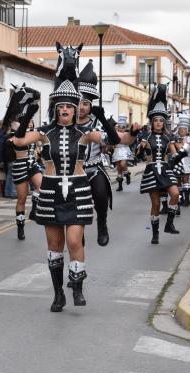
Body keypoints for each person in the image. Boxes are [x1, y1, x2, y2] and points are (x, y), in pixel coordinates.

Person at [12, 78, 136, 312]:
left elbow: (115, 141)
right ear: (56, 109)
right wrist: (28, 114)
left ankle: (77, 288)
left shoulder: (85, 132)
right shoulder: (44, 132)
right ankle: (58, 294)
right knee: (55, 245)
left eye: (70, 105)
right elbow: (18, 141)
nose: (66, 109)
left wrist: (101, 117)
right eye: (61, 106)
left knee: (73, 241)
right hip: (50, 192)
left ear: (75, 108)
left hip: (78, 190)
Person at [137, 85, 187, 245]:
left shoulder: (168, 138)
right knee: (156, 204)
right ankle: (155, 234)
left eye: (161, 121)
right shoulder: (146, 137)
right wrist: (139, 149)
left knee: (175, 195)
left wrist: (182, 151)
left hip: (165, 170)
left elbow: (174, 153)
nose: (158, 123)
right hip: (151, 171)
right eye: (156, 120)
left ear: (164, 122)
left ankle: (169, 224)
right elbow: (137, 153)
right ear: (152, 122)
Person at [76, 60, 113, 246]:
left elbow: (111, 142)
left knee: (100, 193)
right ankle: (78, 230)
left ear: (90, 106)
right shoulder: (66, 124)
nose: (81, 107)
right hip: (74, 171)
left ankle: (102, 223)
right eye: (78, 103)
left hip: (95, 167)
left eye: (85, 103)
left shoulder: (96, 124)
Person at [1, 83, 42, 240]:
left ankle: (35, 208)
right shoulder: (15, 132)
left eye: (31, 120)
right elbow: (14, 140)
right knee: (22, 199)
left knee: (43, 186)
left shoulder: (34, 132)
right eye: (28, 120)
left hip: (32, 164)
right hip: (19, 166)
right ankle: (20, 226)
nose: (31, 122)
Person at [111, 115, 134, 192]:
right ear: (118, 127)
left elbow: (131, 140)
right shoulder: (114, 133)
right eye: (120, 127)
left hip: (124, 150)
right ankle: (120, 186)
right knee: (119, 169)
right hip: (117, 150)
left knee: (123, 164)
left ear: (125, 128)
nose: (121, 129)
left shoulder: (127, 134)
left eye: (123, 127)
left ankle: (127, 174)